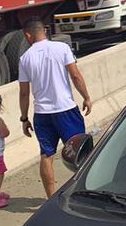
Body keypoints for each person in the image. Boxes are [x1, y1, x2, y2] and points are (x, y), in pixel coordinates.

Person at [18, 18, 93, 198]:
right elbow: (75, 75)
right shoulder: (62, 48)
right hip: (66, 109)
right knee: (80, 153)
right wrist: (86, 97)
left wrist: (24, 118)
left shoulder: (25, 58)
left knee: (46, 155)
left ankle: (51, 198)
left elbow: (24, 93)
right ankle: (82, 192)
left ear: (28, 35)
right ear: (44, 30)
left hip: (42, 114)